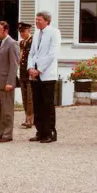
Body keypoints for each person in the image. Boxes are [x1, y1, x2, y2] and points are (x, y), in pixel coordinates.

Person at [27, 11, 60, 144]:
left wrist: (40, 70)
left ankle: (49, 132)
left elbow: (52, 54)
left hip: (46, 74)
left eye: (39, 20)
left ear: (47, 21)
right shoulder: (36, 34)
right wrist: (30, 68)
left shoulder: (54, 33)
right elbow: (32, 52)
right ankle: (39, 131)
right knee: (37, 104)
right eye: (36, 20)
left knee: (47, 104)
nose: (37, 22)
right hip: (34, 73)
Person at [0, 21, 19, 143]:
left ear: (6, 31)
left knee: (7, 110)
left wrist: (10, 82)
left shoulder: (12, 44)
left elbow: (14, 64)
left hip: (6, 82)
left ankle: (8, 133)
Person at [17, 22, 34, 129]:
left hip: (30, 73)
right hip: (23, 73)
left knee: (30, 98)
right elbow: (20, 56)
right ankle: (27, 117)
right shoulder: (22, 43)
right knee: (24, 97)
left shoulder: (33, 41)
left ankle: (30, 119)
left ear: (28, 30)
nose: (21, 34)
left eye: (23, 31)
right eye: (20, 32)